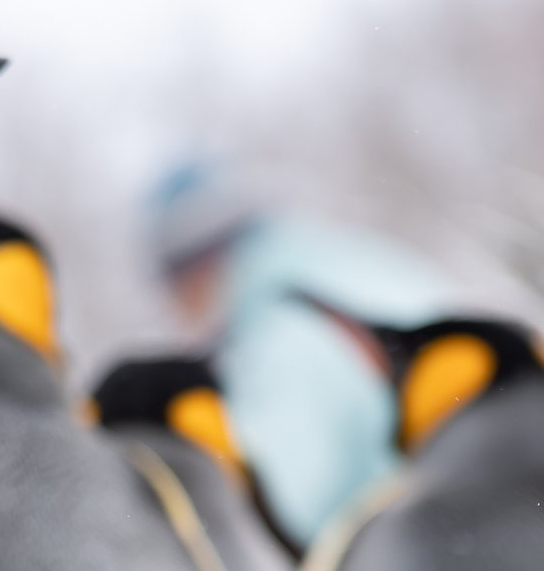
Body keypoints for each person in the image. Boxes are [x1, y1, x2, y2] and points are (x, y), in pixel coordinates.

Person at [146, 160, 453, 550]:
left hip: (437, 565)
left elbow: (276, 511)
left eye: (176, 290)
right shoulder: (348, 265)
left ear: (198, 267)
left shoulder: (282, 333)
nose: (180, 314)